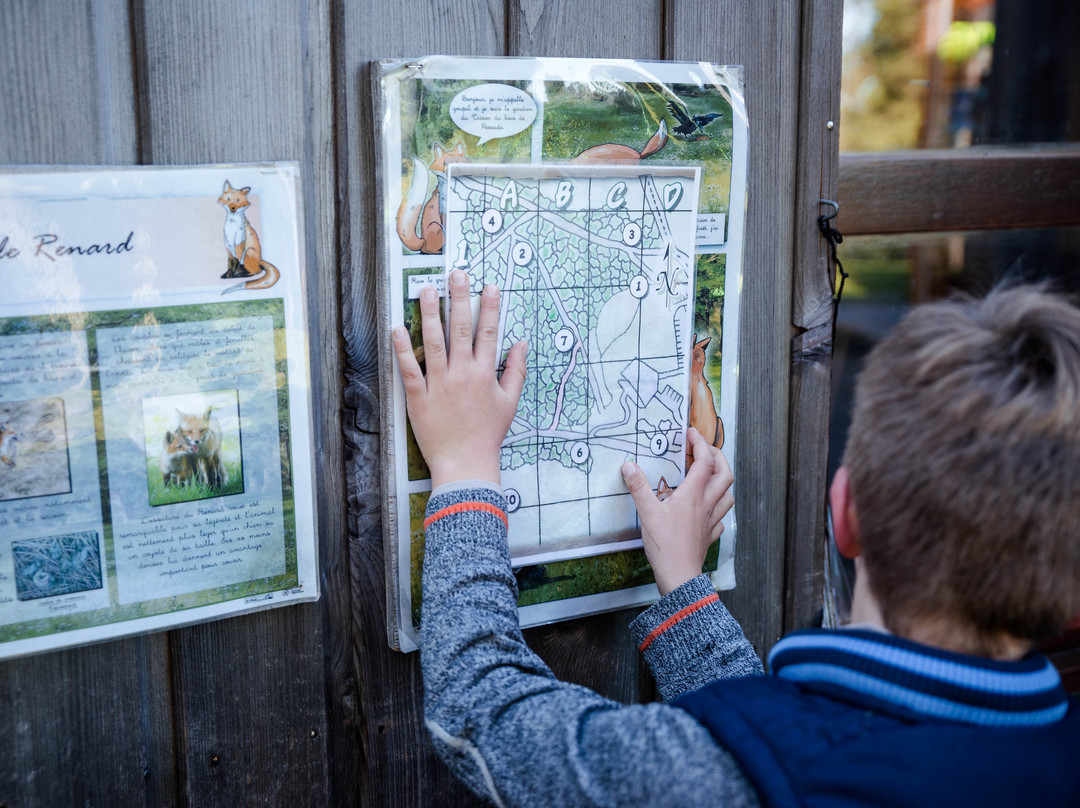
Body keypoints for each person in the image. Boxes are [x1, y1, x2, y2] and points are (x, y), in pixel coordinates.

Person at [392, 272, 1080, 807]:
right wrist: (687, 593)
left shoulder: (716, 776)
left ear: (844, 514)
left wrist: (464, 472)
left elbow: (481, 709)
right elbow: (775, 750)